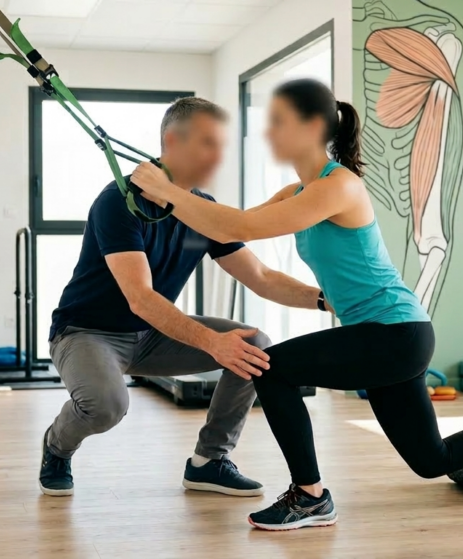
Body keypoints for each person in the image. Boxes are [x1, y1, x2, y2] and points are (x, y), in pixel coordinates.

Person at [131, 79, 463, 530]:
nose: (268, 132)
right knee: (431, 460)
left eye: (279, 122)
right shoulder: (297, 192)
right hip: (386, 337)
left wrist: (168, 190)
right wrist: (169, 189)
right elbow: (230, 225)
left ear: (312, 128)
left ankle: (310, 496)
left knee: (271, 369)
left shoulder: (338, 186)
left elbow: (238, 227)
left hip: (395, 333)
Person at [41, 97, 336, 499]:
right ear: (172, 142)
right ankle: (57, 447)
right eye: (207, 143)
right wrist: (213, 343)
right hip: (87, 333)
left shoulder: (202, 211)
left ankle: (209, 462)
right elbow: (141, 298)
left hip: (152, 335)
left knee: (254, 346)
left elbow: (261, 277)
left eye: (221, 146)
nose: (218, 157)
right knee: (106, 405)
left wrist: (326, 300)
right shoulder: (118, 202)